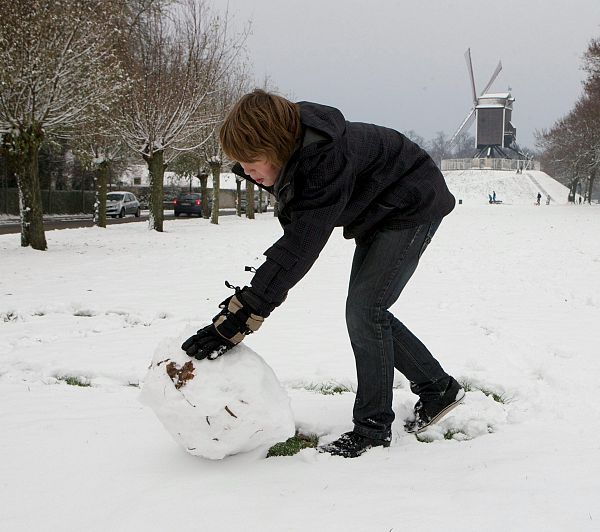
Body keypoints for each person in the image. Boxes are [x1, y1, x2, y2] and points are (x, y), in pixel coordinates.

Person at [180, 90, 464, 458]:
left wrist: (244, 314)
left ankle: (373, 428)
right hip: (380, 209)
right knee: (367, 311)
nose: (246, 173)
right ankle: (437, 389)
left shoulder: (324, 160)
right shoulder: (294, 158)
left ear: (278, 147)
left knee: (365, 310)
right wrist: (247, 306)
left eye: (251, 163)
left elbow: (301, 247)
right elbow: (293, 241)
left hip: (411, 202)